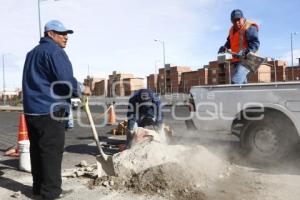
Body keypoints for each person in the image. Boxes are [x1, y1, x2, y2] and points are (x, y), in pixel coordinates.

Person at [22, 20, 90, 200]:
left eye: (67, 34)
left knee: (37, 151)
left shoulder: (32, 53)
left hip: (32, 111)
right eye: (61, 33)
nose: (66, 37)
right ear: (50, 34)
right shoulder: (55, 52)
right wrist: (82, 89)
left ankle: (38, 190)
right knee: (51, 153)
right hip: (51, 111)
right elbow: (65, 81)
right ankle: (51, 194)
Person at [218, 9, 260, 84]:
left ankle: (232, 96)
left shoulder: (249, 27)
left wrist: (248, 51)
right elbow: (229, 42)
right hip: (237, 61)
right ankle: (246, 96)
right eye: (234, 21)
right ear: (231, 21)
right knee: (243, 84)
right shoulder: (232, 30)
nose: (237, 22)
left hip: (248, 60)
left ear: (243, 18)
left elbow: (255, 43)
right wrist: (225, 47)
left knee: (236, 82)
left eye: (238, 20)